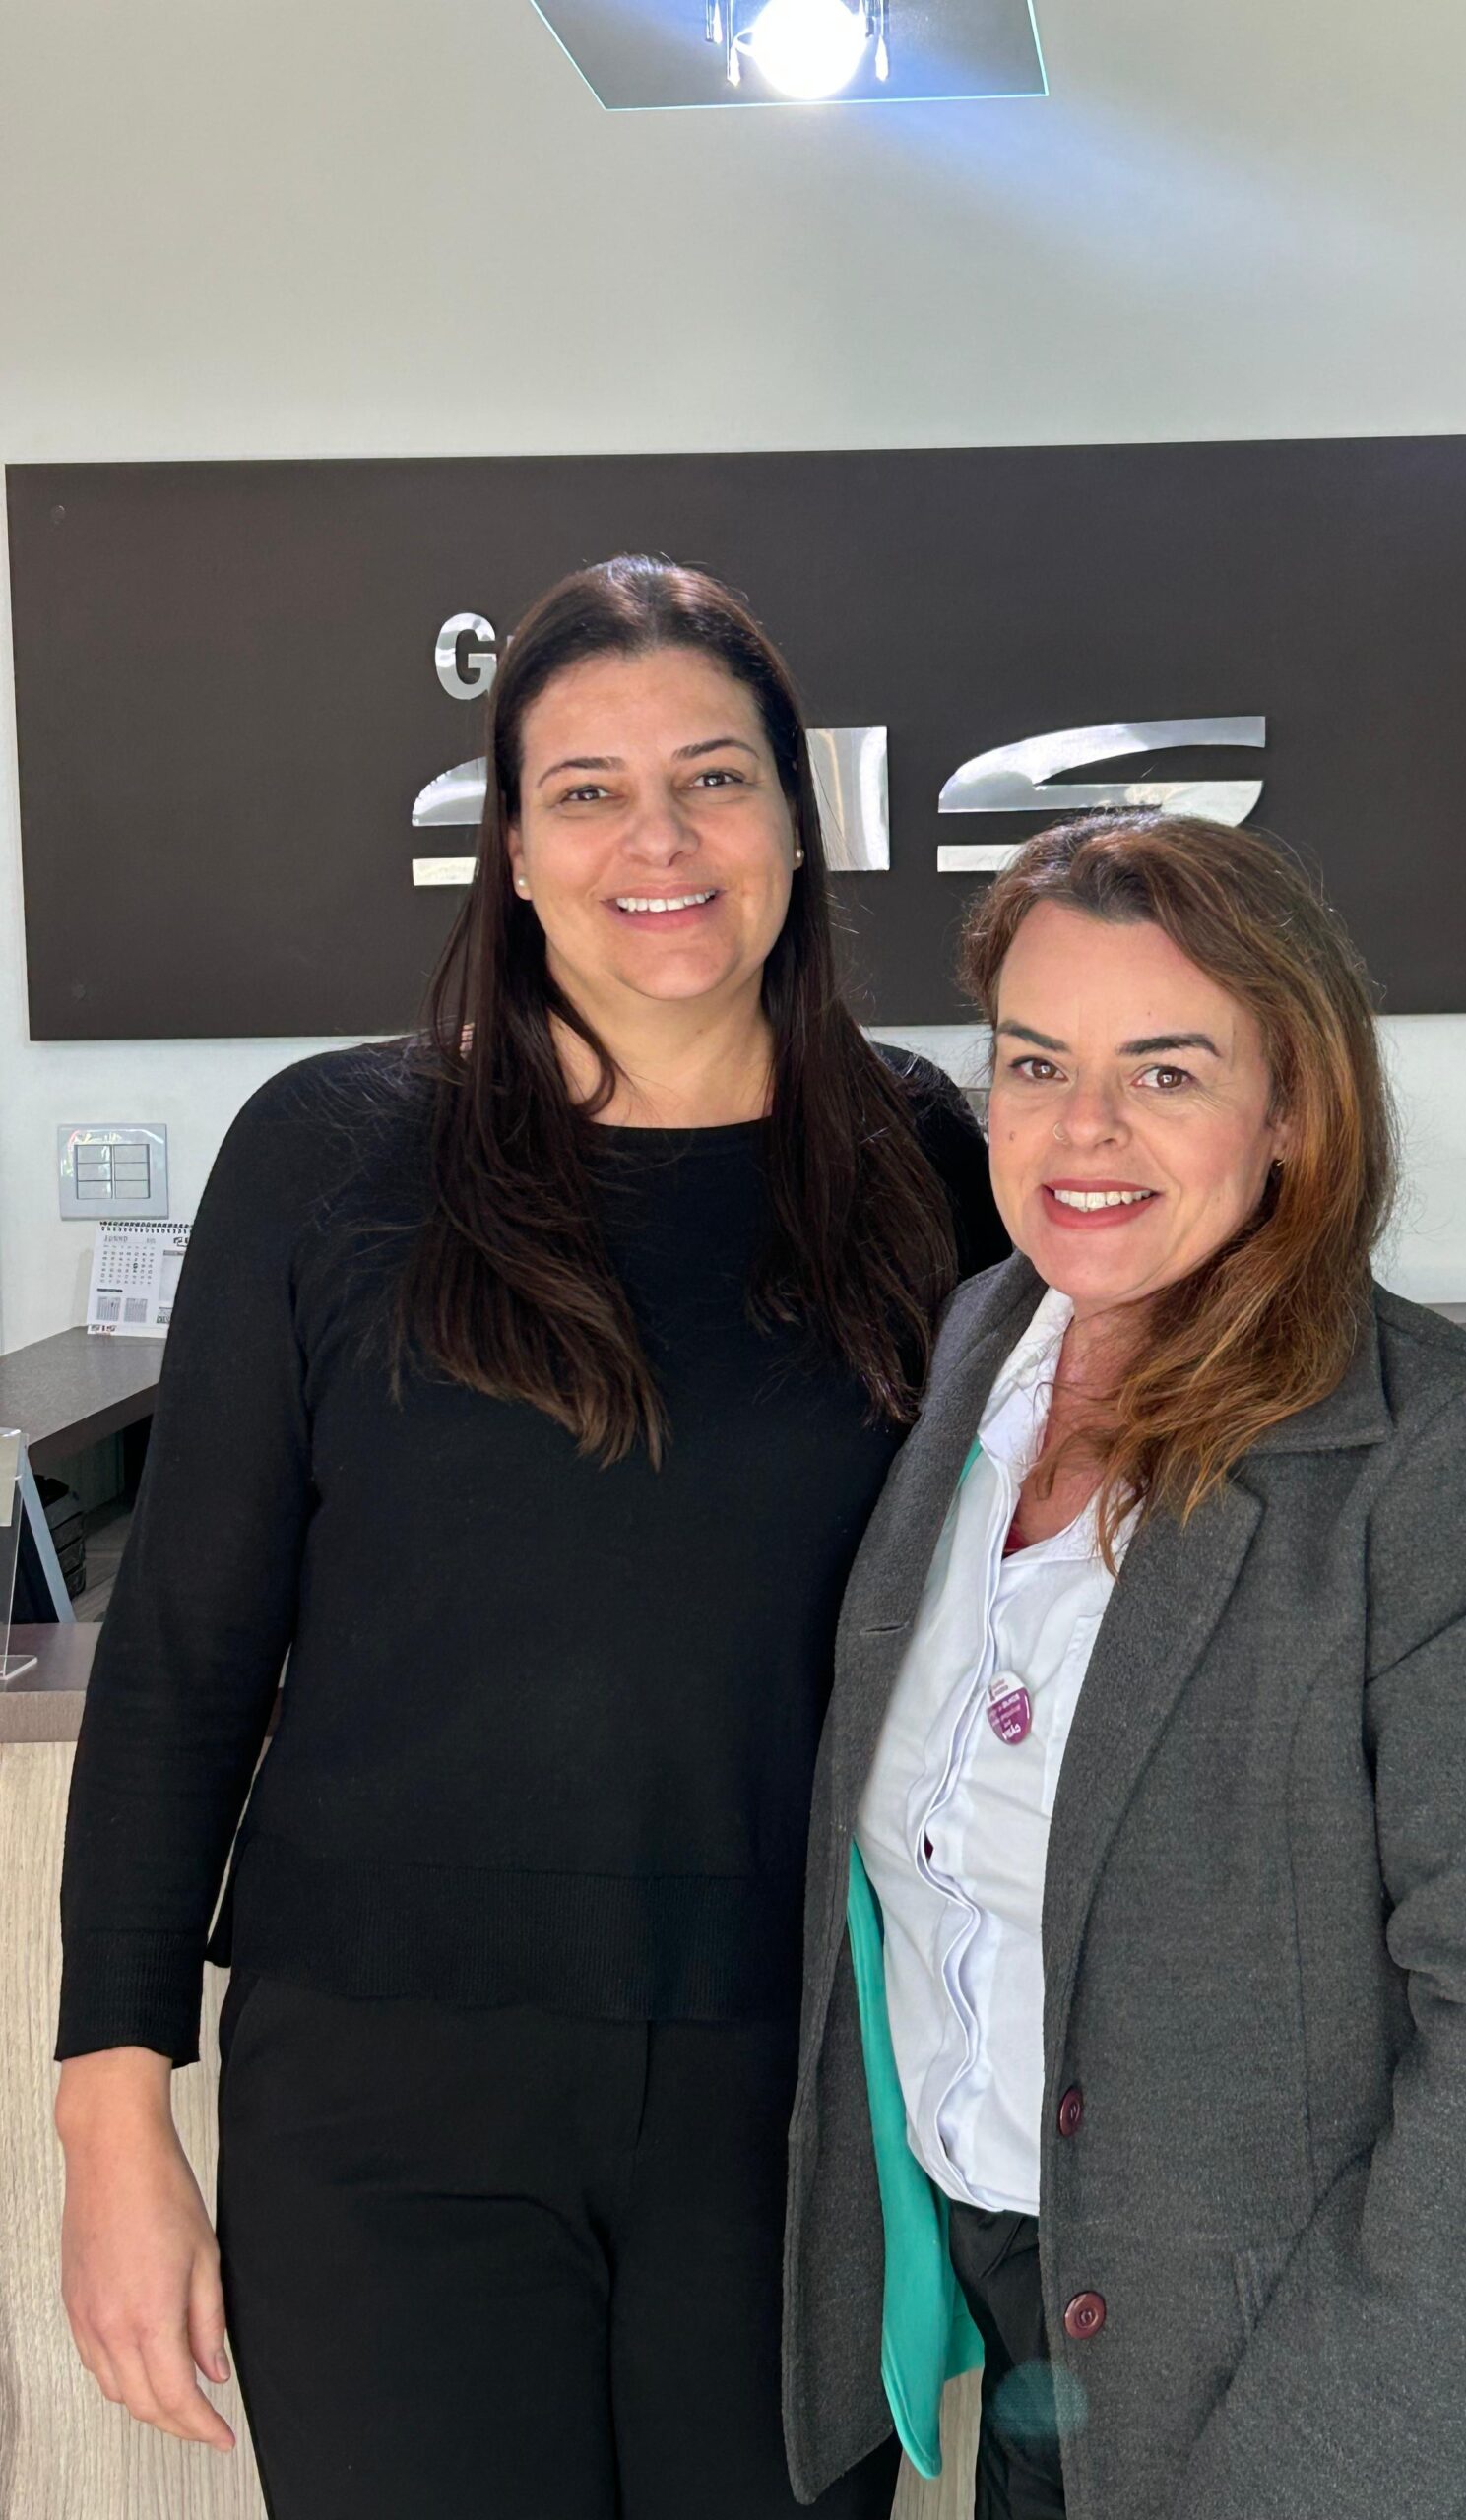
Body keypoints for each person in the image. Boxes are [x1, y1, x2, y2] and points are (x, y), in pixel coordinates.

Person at [52, 555, 1007, 2520]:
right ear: (507, 847)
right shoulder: (331, 1157)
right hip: (386, 2095)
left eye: (713, 778)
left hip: (795, 2087)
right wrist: (112, 2118)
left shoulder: (925, 1161)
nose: (658, 839)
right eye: (587, 790)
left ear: (797, 824)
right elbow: (185, 1659)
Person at [783, 810, 1466, 2520]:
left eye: (1166, 1072)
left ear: (1293, 1110)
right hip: (1038, 2356)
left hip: (1330, 2416)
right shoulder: (973, 1357)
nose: (1084, 1130)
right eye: (1038, 1063)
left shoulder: (1456, 1471)